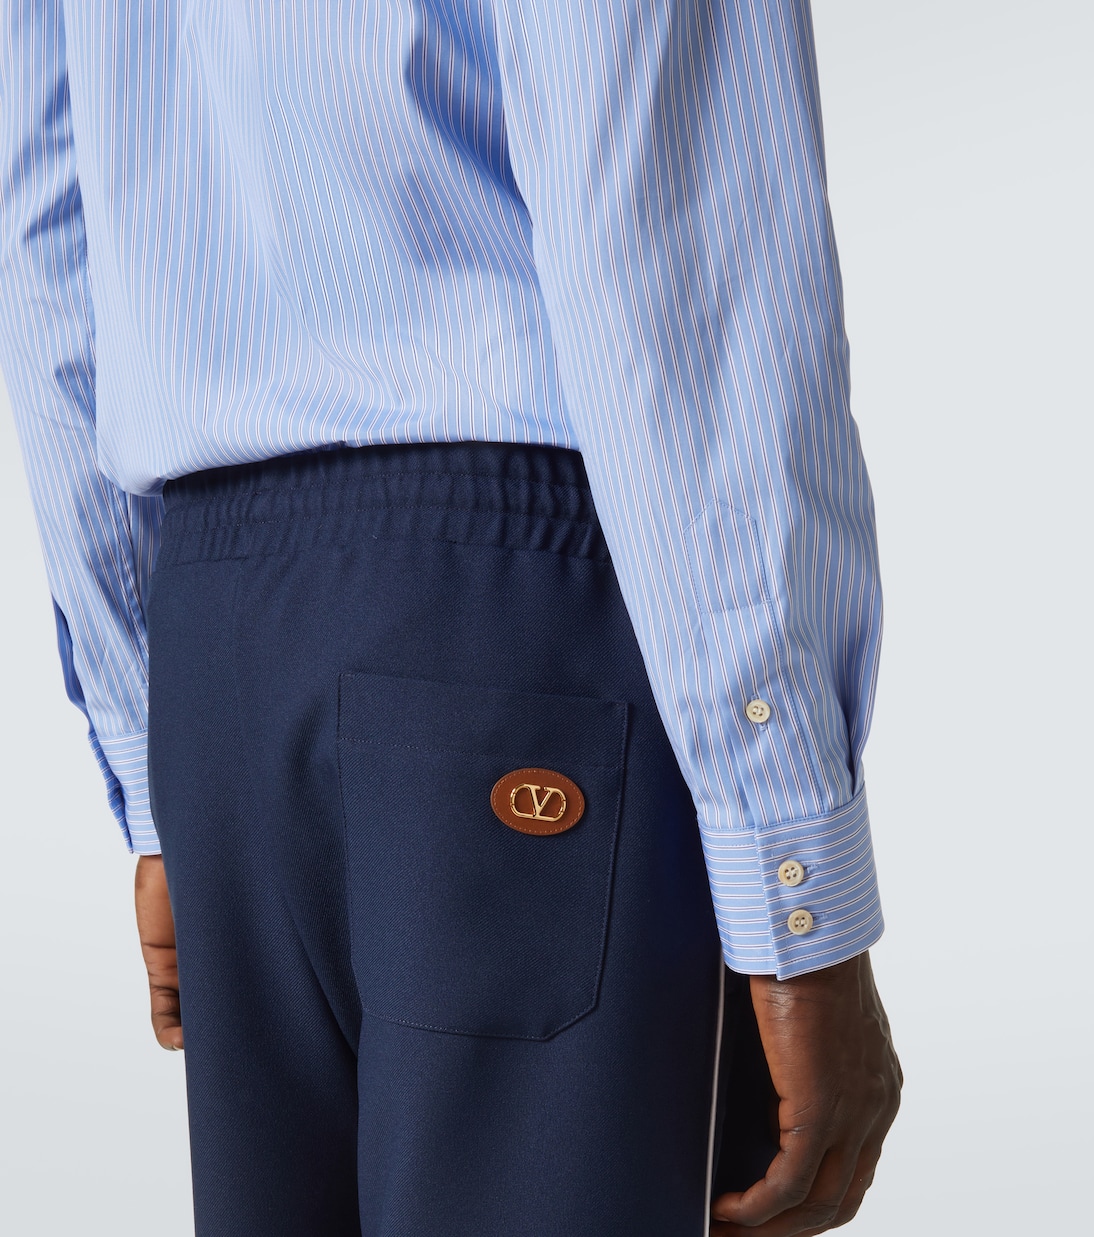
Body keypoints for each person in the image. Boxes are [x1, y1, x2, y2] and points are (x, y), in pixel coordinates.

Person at [0, 2, 901, 1234]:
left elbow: (42, 230)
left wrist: (145, 744)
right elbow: (669, 231)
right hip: (517, 620)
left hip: (216, 650)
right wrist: (791, 879)